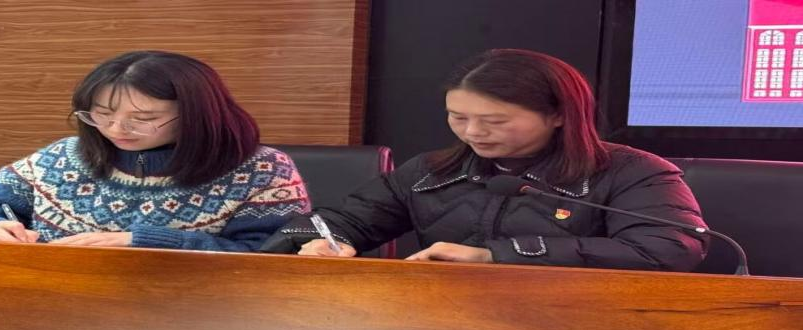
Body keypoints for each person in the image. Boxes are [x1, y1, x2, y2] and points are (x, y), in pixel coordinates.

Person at [261, 49, 707, 271]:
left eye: (495, 121)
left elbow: (669, 248)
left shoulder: (633, 172)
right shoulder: (432, 171)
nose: (473, 132)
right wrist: (324, 241)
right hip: (440, 328)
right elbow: (344, 219)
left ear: (558, 114)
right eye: (458, 117)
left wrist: (495, 256)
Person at [0, 50, 309, 251]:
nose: (116, 130)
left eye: (143, 118)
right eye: (101, 114)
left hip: (197, 325)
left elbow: (275, 256)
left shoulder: (262, 171)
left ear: (196, 114)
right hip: (49, 313)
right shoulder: (60, 159)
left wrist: (144, 243)